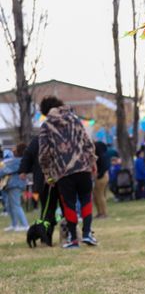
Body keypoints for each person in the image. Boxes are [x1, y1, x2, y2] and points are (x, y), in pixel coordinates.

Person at [37, 96, 98, 248]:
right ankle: (87, 233)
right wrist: (92, 161)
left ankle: (73, 239)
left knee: (68, 203)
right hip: (83, 167)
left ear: (45, 111)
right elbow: (87, 142)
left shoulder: (46, 126)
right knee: (86, 198)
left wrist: (47, 173)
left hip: (63, 171)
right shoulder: (74, 119)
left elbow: (44, 153)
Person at [19, 135, 59, 241]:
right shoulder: (40, 140)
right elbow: (28, 154)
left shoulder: (39, 139)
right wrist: (23, 169)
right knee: (49, 210)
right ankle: (46, 236)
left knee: (49, 210)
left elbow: (27, 154)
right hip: (48, 180)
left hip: (56, 180)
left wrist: (23, 170)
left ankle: (51, 236)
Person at [1, 144, 30, 232]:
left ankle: (25, 225)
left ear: (18, 151)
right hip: (13, 185)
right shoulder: (19, 160)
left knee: (16, 205)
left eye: (15, 149)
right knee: (9, 205)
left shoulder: (17, 161)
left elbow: (4, 170)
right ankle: (14, 225)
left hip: (15, 185)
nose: (13, 150)